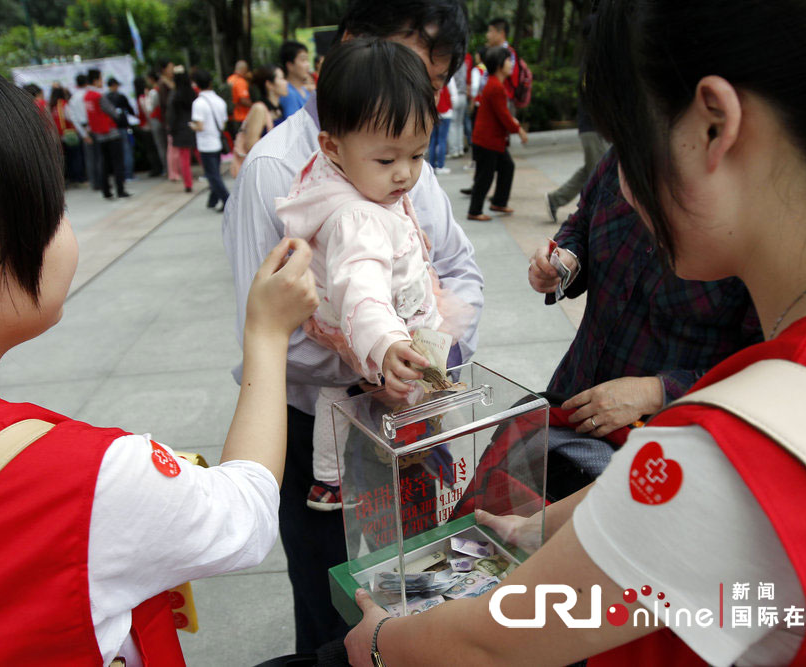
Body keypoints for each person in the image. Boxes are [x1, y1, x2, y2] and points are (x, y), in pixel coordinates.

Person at [346, 0, 806, 663]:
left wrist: (379, 640)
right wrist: (538, 525)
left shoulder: (729, 456)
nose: (628, 187)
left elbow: (491, 643)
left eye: (634, 144)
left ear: (713, 125)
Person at [0, 42, 320, 664]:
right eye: (54, 209)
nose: (66, 230)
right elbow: (245, 513)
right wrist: (266, 334)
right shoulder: (83, 481)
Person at [222, 0, 483, 653]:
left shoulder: (401, 163)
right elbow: (315, 315)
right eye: (404, 67)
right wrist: (385, 351)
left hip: (412, 410)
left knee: (421, 588)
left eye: (427, 87)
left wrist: (437, 349)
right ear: (351, 47)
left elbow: (455, 263)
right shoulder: (280, 173)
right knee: (336, 606)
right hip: (325, 424)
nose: (404, 171)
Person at [277, 38, 472, 511]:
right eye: (387, 160)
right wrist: (385, 343)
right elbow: (360, 287)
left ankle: (329, 479)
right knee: (385, 394)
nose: (405, 173)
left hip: (375, 319)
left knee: (337, 394)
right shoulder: (356, 217)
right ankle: (409, 459)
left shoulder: (349, 181)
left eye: (418, 155)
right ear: (333, 147)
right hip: (377, 325)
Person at [529, 150, 761, 497]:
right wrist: (564, 262)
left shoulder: (753, 207)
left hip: (662, 450)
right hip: (573, 399)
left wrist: (655, 392)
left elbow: (765, 365)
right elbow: (582, 221)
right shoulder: (623, 155)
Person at [545, 15, 609, 222]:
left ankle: (556, 199)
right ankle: (596, 217)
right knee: (601, 175)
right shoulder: (594, 61)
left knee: (591, 170)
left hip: (595, 127)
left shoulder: (595, 58)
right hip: (593, 127)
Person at [467, 46, 528, 221]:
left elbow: (503, 115)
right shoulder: (495, 87)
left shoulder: (495, 84)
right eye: (509, 61)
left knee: (507, 167)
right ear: (500, 64)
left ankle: (499, 202)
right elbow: (504, 116)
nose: (511, 64)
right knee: (485, 177)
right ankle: (475, 211)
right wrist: (519, 130)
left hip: (491, 140)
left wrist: (515, 127)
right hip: (488, 141)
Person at [228, 65, 287, 178]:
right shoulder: (259, 108)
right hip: (262, 173)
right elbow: (251, 145)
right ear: (269, 84)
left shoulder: (278, 109)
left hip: (274, 170)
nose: (286, 82)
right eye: (281, 78)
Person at [84, 69, 130, 200]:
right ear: (95, 80)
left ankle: (106, 191)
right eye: (100, 78)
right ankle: (120, 190)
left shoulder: (87, 96)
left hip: (99, 133)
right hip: (110, 132)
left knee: (104, 162)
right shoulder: (98, 96)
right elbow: (112, 112)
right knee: (117, 162)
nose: (102, 81)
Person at [190, 68, 230, 211]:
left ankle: (227, 200)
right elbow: (223, 124)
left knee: (212, 175)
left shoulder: (198, 103)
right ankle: (212, 200)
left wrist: (192, 126)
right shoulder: (219, 101)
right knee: (215, 172)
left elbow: (200, 126)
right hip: (217, 142)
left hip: (206, 143)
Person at [166, 66, 197, 193]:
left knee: (184, 159)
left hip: (180, 129)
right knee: (200, 155)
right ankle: (211, 176)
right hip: (194, 126)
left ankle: (188, 184)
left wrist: (171, 130)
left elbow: (171, 115)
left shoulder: (174, 95)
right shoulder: (193, 93)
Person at [105, 77, 136, 181]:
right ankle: (128, 174)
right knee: (126, 150)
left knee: (117, 154)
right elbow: (130, 110)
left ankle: (121, 175)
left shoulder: (106, 98)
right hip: (122, 127)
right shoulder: (120, 97)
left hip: (111, 129)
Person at [428, 75, 457, 174]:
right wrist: (451, 108)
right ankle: (440, 166)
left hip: (434, 112)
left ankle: (432, 166)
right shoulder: (448, 78)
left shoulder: (430, 76)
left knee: (433, 140)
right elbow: (454, 95)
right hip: (445, 112)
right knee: (442, 140)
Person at [278, 40, 313, 119]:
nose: (308, 64)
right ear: (290, 65)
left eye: (307, 60)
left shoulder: (305, 90)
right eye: (303, 60)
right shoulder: (288, 93)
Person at [227, 59, 252, 131]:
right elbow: (243, 100)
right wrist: (255, 106)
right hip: (241, 117)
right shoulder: (241, 82)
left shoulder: (230, 79)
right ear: (244, 70)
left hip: (232, 116)